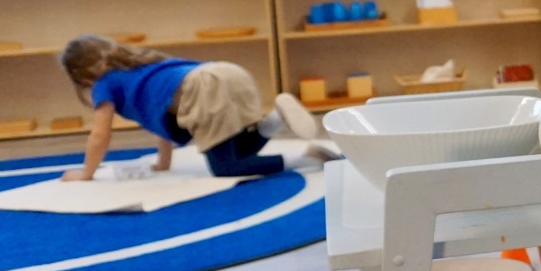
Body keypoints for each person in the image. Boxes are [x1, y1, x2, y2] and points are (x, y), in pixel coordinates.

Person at [58, 36, 337, 181]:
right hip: (226, 72)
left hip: (203, 87)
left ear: (82, 76)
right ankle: (274, 120)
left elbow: (99, 134)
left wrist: (86, 173)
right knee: (240, 151)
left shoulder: (105, 83)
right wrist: (164, 162)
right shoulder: (142, 64)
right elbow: (160, 117)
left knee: (226, 168)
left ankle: (305, 158)